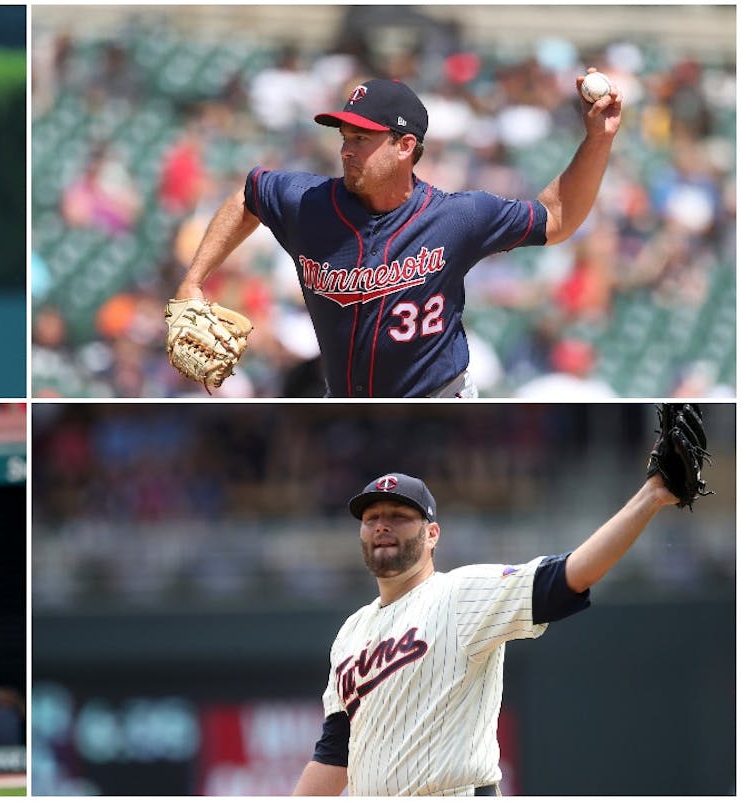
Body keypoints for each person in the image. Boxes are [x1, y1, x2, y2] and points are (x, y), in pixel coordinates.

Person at [173, 71, 622, 397]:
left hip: (442, 400)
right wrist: (193, 281)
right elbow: (248, 197)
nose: (348, 148)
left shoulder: (456, 217)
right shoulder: (307, 202)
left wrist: (597, 141)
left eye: (363, 138)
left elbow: (556, 218)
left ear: (406, 146)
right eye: (345, 135)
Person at [293, 470, 684, 796]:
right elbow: (336, 752)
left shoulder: (461, 593)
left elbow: (570, 575)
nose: (382, 525)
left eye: (398, 515)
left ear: (432, 534)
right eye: (371, 517)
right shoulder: (352, 631)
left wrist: (649, 496)